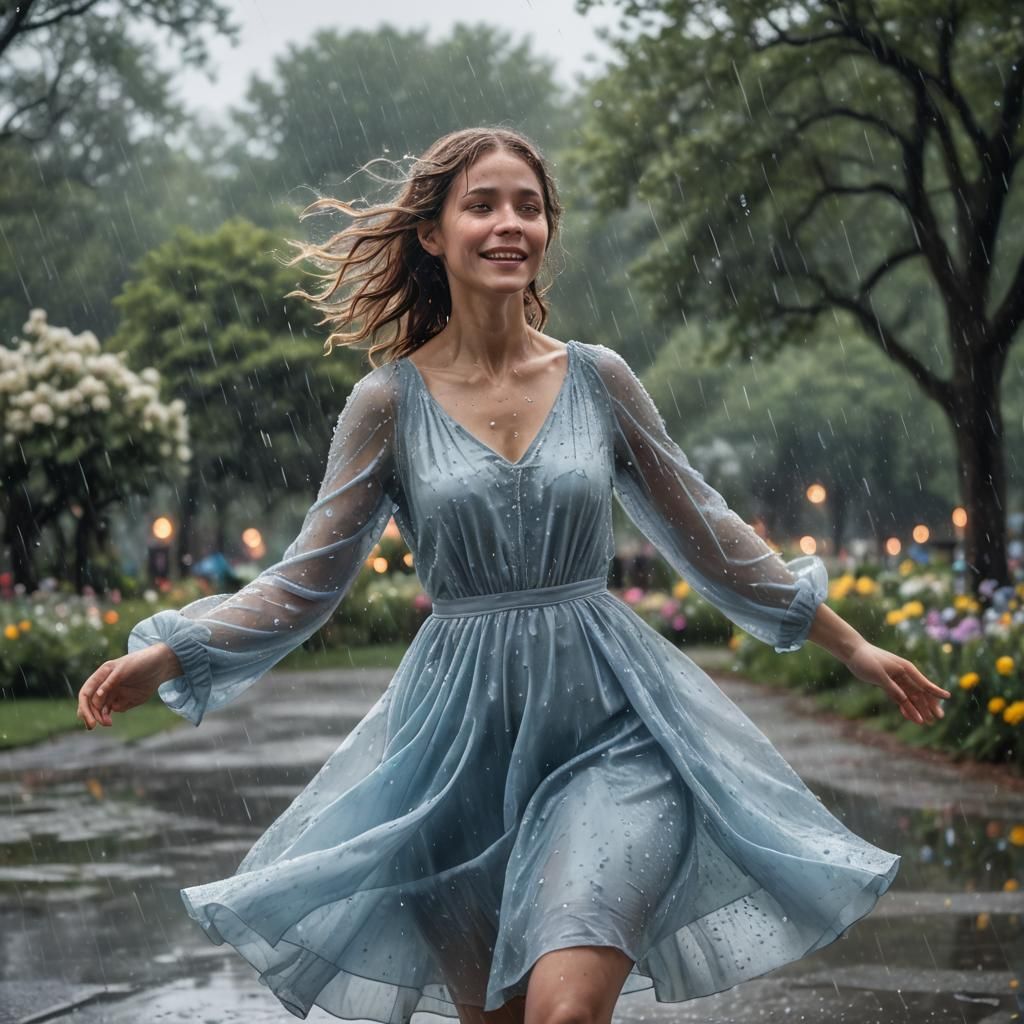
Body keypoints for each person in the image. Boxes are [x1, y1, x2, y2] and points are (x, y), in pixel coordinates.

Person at [77, 126, 951, 1024]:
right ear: (433, 234)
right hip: (457, 754)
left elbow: (712, 535)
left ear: (545, 232)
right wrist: (177, 651)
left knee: (566, 1011)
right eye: (482, 205)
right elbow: (306, 580)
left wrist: (851, 645)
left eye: (527, 207)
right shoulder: (387, 402)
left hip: (613, 733)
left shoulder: (601, 380)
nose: (509, 225)